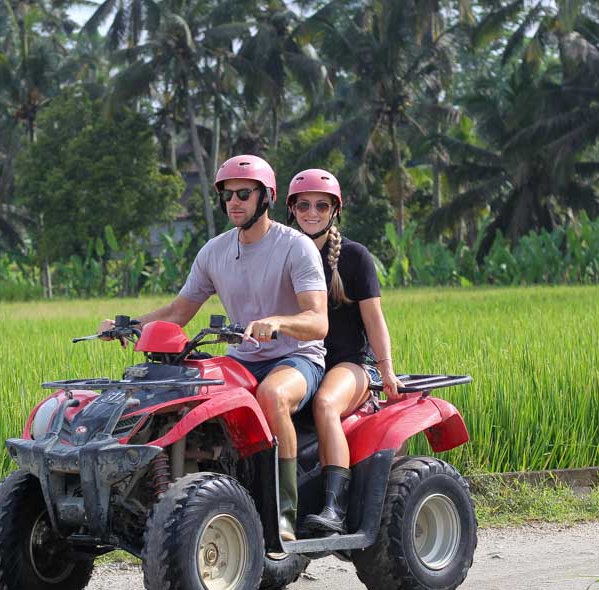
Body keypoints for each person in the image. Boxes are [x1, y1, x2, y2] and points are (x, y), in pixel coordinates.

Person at [99, 155, 328, 542]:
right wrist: (129, 325)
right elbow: (178, 311)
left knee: (272, 395)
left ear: (266, 197)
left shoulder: (296, 247)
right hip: (241, 358)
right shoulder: (214, 252)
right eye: (226, 195)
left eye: (243, 193)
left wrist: (279, 322)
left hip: (296, 358)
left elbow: (318, 321)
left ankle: (285, 512)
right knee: (185, 392)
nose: (233, 202)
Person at [285, 169, 404, 535]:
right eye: (303, 205)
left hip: (348, 364)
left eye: (321, 205)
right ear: (291, 209)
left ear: (335, 210)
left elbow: (374, 319)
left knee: (324, 404)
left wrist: (386, 371)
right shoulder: (283, 253)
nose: (312, 212)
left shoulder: (354, 257)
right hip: (300, 360)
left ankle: (334, 507)